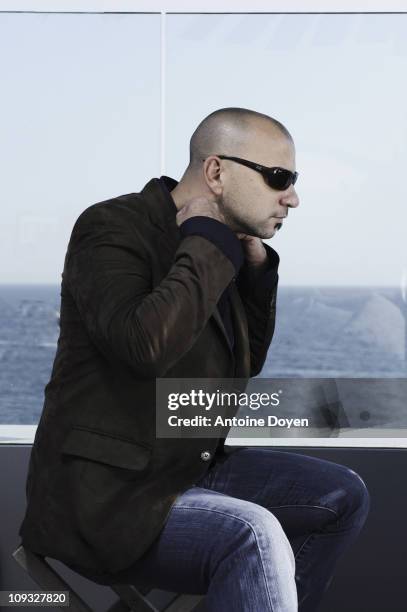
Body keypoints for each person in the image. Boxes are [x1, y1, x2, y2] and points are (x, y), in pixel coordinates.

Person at [19, 107, 370, 611]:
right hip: (105, 497)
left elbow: (241, 370)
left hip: (186, 466)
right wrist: (207, 240)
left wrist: (252, 274)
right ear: (216, 172)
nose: (291, 197)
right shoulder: (111, 226)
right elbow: (144, 346)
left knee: (342, 495)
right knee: (252, 532)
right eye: (278, 178)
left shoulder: (221, 246)